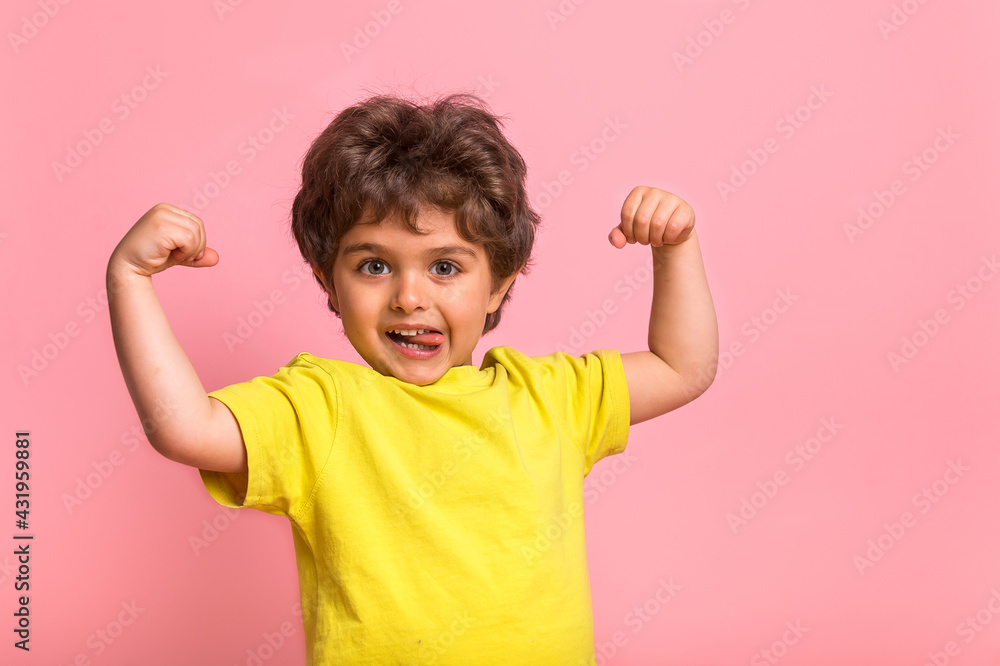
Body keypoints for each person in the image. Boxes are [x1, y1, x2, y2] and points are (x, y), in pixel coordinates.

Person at [106, 92, 719, 665]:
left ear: (499, 283)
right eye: (374, 265)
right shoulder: (321, 408)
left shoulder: (550, 397)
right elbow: (183, 427)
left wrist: (676, 249)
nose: (409, 297)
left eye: (446, 266)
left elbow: (681, 367)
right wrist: (130, 278)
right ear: (328, 280)